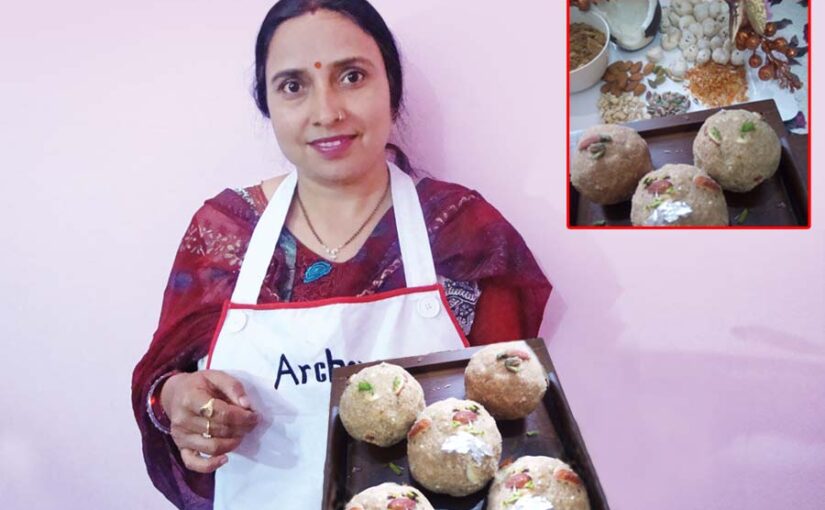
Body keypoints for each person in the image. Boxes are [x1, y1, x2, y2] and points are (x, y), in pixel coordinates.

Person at [132, 1, 551, 508]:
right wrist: (178, 402)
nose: (327, 111)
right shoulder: (224, 232)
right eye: (293, 85)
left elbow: (511, 410)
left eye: (351, 76)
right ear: (267, 104)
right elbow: (162, 385)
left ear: (391, 89)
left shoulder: (462, 229)